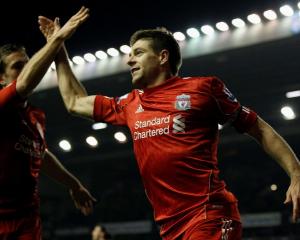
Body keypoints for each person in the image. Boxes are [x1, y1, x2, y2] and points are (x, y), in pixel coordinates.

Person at [39, 17, 300, 240]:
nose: (129, 60)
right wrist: (58, 47)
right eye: (129, 55)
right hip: (169, 226)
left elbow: (259, 128)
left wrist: (296, 172)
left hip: (209, 215)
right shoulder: (130, 103)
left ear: (163, 57)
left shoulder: (203, 89)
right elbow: (74, 102)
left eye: (138, 53)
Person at [0, 7, 97, 240]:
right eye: (17, 66)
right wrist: (58, 38)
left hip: (28, 218)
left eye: (27, 62)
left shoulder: (37, 116)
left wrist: (74, 184)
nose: (24, 68)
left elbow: (40, 154)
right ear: (1, 78)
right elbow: (24, 84)